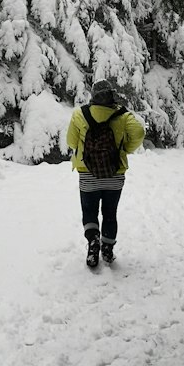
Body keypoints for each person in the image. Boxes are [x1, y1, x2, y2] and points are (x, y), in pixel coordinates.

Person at [66, 81, 145, 267]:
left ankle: (93, 241)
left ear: (93, 95)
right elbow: (139, 132)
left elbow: (71, 141)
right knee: (110, 213)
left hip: (87, 173)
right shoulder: (123, 115)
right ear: (111, 95)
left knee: (89, 211)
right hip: (115, 174)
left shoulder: (80, 114)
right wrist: (124, 149)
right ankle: (107, 249)